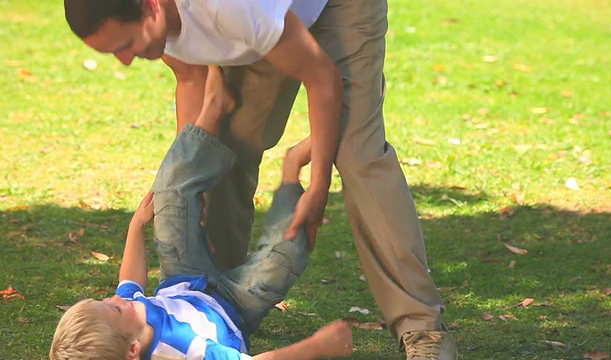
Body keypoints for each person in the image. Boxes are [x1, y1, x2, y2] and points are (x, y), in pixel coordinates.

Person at [63, 0, 458, 358]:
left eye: (126, 44)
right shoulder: (159, 25)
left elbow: (321, 76)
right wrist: (191, 184)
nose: (126, 61)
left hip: (337, 6)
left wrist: (318, 183)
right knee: (225, 148)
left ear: (150, 7)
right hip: (269, 20)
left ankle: (422, 330)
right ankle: (221, 303)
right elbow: (190, 80)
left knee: (357, 154)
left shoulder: (228, 7)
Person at [49, 114, 352, 359]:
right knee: (284, 254)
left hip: (182, 279)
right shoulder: (182, 352)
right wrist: (316, 347)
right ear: (133, 350)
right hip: (236, 305)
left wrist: (136, 226)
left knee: (168, 191)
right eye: (113, 307)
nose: (115, 297)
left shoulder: (127, 317)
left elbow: (129, 285)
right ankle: (293, 166)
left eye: (105, 299)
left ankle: (214, 111)